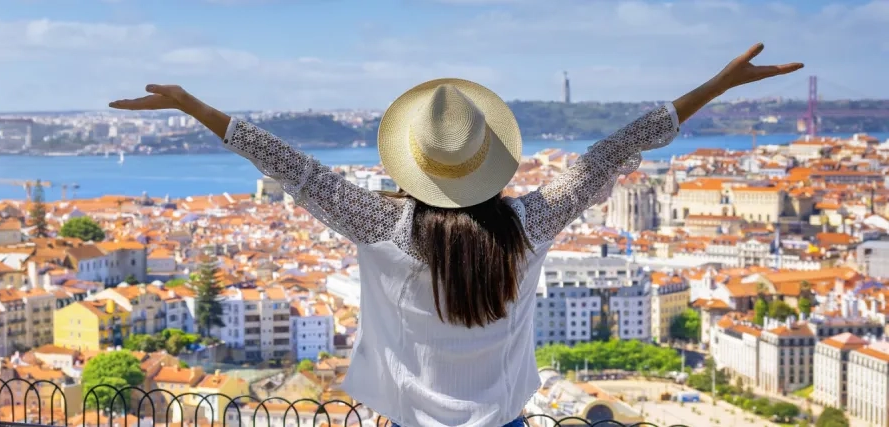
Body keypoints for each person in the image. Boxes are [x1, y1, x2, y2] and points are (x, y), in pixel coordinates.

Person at [110, 44, 800, 427]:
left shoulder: (382, 224)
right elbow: (613, 151)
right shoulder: (528, 226)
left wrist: (193, 105)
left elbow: (286, 164)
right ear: (489, 163)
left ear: (412, 167)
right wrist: (715, 84)